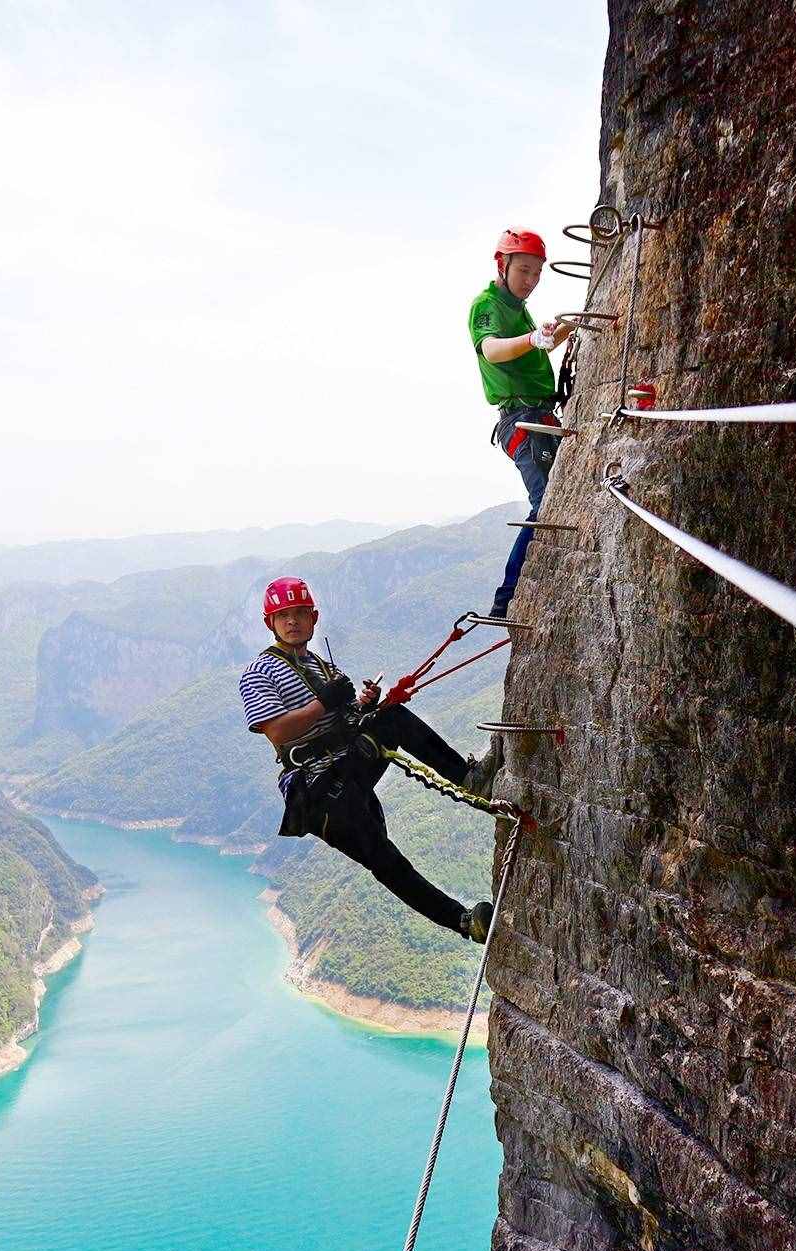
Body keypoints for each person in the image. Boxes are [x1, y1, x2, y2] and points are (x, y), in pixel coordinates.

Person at [237, 577, 499, 942]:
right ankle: (464, 920)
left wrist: (362, 704)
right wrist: (325, 702)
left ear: (313, 619)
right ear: (270, 623)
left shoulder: (319, 664)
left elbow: (338, 721)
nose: (292, 621)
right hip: (317, 788)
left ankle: (469, 779)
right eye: (283, 616)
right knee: (383, 858)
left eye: (299, 613)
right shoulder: (259, 672)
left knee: (391, 719)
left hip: (343, 767)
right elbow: (277, 731)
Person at [470, 228, 574, 619]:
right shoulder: (488, 305)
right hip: (522, 418)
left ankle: (513, 593)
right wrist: (533, 339)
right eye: (524, 271)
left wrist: (564, 329)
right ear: (503, 264)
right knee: (544, 501)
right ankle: (507, 597)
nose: (530, 281)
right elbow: (492, 350)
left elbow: (533, 351)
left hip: (539, 414)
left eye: (536, 274)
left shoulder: (518, 309)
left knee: (552, 498)